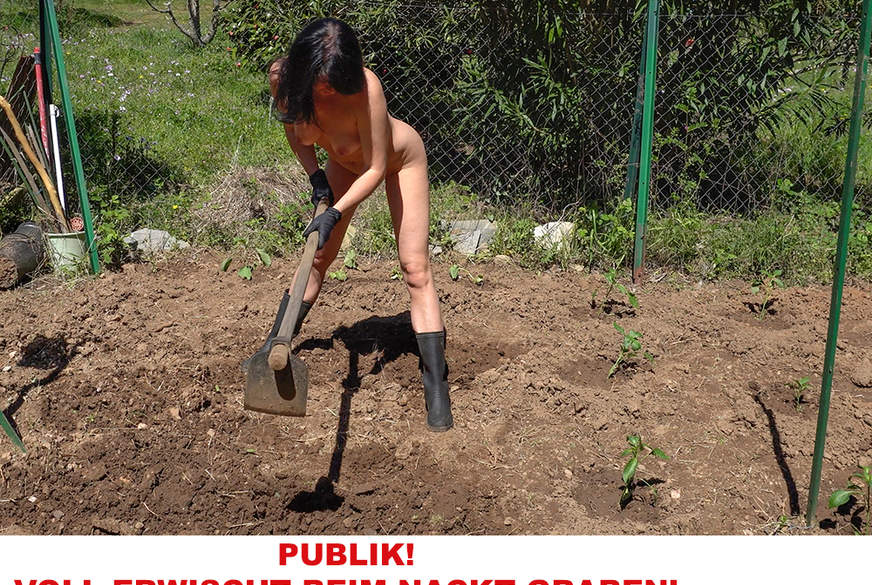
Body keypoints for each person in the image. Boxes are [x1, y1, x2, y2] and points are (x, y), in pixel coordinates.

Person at [265, 17, 453, 431]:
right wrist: (316, 177)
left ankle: (437, 387)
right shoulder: (284, 80)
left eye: (339, 81)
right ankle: (271, 349)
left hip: (398, 161)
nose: (334, 89)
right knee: (317, 258)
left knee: (415, 268)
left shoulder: (365, 88)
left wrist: (333, 212)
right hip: (345, 166)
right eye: (326, 83)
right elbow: (294, 131)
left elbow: (376, 168)